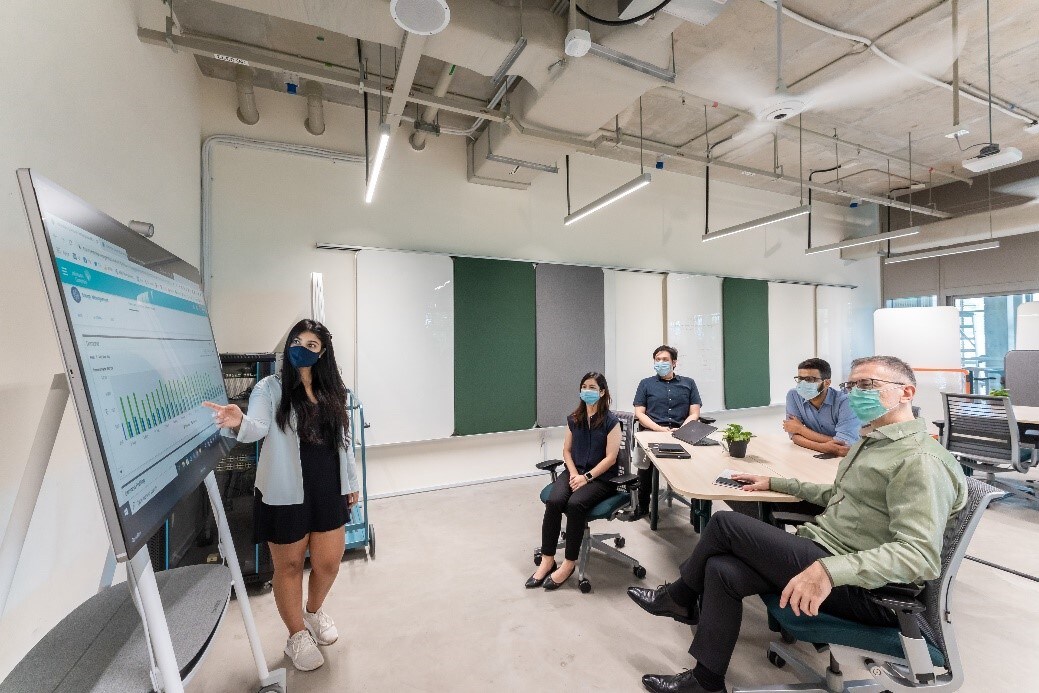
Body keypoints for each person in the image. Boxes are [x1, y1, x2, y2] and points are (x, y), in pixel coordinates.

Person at [627, 355, 967, 693]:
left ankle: (679, 597)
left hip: (869, 590)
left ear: (906, 393)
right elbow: (840, 494)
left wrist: (830, 570)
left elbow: (918, 556)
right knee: (722, 569)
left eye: (867, 385)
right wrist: (775, 483)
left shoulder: (920, 460)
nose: (855, 394)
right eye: (852, 386)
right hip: (826, 551)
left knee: (724, 524)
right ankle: (705, 681)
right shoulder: (874, 441)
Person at [203, 319, 360, 672]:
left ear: (322, 353)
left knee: (328, 563)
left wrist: (350, 481)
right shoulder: (269, 388)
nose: (301, 348)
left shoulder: (332, 390)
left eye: (311, 345)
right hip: (285, 490)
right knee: (288, 566)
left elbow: (344, 439)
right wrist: (239, 421)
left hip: (328, 488)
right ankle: (296, 636)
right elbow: (257, 426)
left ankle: (313, 612)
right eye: (296, 341)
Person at [527, 372, 621, 590]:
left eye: (592, 388)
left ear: (602, 392)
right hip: (574, 472)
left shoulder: (611, 422)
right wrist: (573, 474)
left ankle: (569, 564)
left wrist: (586, 478)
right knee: (554, 501)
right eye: (584, 387)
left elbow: (610, 458)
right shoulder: (574, 418)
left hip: (601, 478)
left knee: (575, 504)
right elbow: (567, 451)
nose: (587, 391)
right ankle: (548, 560)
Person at [632, 345, 702, 515]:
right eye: (657, 359)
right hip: (653, 432)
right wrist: (659, 429)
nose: (660, 362)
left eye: (665, 359)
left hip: (681, 433)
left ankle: (697, 511)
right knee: (645, 469)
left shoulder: (689, 383)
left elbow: (694, 413)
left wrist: (681, 430)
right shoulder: (646, 384)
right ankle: (643, 506)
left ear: (674, 363)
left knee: (696, 468)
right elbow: (639, 413)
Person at [783, 357, 861, 456]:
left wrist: (801, 429)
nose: (803, 384)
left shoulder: (846, 402)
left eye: (809, 379)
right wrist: (822, 447)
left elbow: (844, 445)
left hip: (852, 456)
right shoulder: (794, 395)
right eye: (800, 379)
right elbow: (794, 435)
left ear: (827, 383)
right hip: (815, 455)